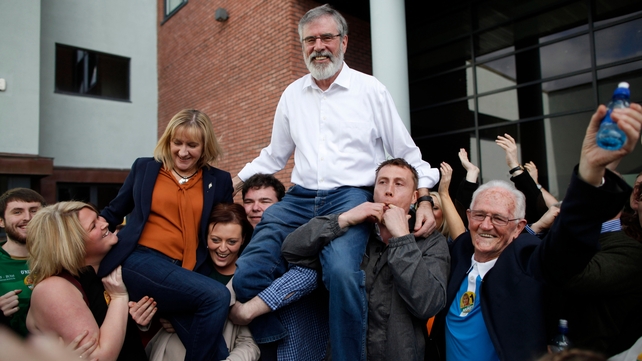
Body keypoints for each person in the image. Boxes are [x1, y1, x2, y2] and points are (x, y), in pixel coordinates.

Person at [232, 5, 439, 360]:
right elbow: (274, 156)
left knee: (343, 274)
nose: (319, 45)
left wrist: (424, 197)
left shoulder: (370, 90)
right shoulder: (291, 95)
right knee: (247, 273)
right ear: (302, 45)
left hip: (350, 198)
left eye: (327, 36)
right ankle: (278, 336)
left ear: (344, 40)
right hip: (298, 200)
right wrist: (231, 183)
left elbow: (408, 154)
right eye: (310, 39)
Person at [431, 102, 642, 361]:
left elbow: (563, 254)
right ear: (469, 217)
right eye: (479, 215)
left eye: (498, 218)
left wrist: (591, 175)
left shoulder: (526, 257)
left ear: (519, 227)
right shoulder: (460, 249)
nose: (486, 225)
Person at [280, 158, 450, 361]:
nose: (388, 191)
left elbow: (428, 304)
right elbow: (291, 250)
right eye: (382, 182)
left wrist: (402, 240)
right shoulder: (352, 234)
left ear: (415, 197)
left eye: (398, 184)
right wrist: (343, 219)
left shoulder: (430, 242)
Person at [98, 109, 234, 361]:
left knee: (218, 353)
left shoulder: (220, 181)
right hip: (139, 260)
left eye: (192, 145)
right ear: (168, 141)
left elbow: (226, 228)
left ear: (205, 147)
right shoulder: (145, 168)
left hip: (185, 273)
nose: (183, 152)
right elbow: (113, 211)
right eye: (177, 143)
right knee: (217, 296)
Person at [25, 202, 147, 361]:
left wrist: (143, 321)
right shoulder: (54, 288)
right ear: (72, 244)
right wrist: (119, 298)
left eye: (98, 218)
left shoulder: (107, 270)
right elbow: (99, 357)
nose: (105, 224)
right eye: (93, 226)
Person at [145, 203, 260, 361]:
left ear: (243, 239)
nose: (222, 248)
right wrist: (151, 318)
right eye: (215, 240)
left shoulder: (250, 280)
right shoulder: (187, 266)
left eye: (232, 242)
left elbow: (249, 343)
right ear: (205, 236)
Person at [0, 188, 45, 337]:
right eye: (17, 212)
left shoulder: (60, 258)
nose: (28, 218)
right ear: (1, 221)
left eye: (34, 211)